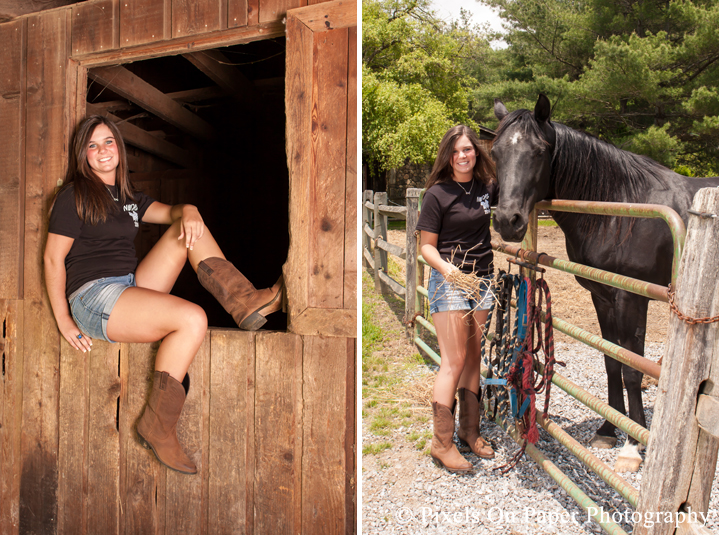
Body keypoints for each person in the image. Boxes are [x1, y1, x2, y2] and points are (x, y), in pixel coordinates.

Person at [44, 115, 283, 475]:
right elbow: (52, 258)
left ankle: (245, 300)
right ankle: (158, 426)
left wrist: (190, 210)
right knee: (192, 319)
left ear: (119, 148)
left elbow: (174, 213)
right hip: (94, 297)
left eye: (108, 142)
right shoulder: (73, 196)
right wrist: (63, 319)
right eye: (92, 145)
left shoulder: (126, 197)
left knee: (191, 228)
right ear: (83, 155)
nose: (102, 151)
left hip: (126, 286)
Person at [415, 125, 498, 473]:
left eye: (468, 149)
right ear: (447, 155)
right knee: (454, 359)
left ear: (476, 152)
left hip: (483, 279)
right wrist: (449, 272)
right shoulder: (437, 194)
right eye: (457, 151)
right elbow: (426, 246)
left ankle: (469, 430)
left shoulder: (485, 188)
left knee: (474, 355)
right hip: (450, 279)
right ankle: (442, 443)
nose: (463, 156)